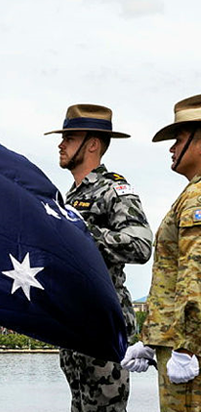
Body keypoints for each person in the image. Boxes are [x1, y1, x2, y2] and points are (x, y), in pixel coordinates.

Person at [45, 104, 153, 412]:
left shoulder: (113, 189)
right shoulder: (69, 196)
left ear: (92, 144)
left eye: (69, 137)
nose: (60, 144)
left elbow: (140, 244)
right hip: (74, 325)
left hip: (103, 325)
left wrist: (81, 231)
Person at [133, 94, 201, 411]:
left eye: (179, 139)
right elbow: (170, 282)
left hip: (191, 351)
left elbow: (195, 275)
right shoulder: (190, 194)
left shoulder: (197, 198)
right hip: (176, 342)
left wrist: (186, 347)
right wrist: (151, 340)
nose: (172, 148)